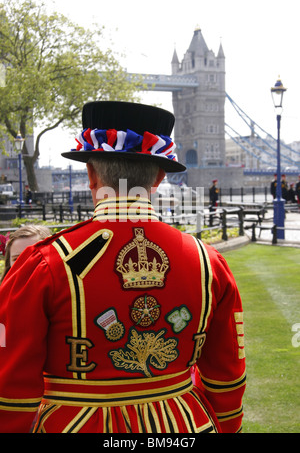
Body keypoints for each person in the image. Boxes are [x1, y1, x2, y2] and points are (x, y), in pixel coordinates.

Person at [0, 101, 246, 434]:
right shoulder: (208, 262)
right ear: (159, 177)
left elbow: (9, 385)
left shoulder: (44, 264)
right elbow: (227, 374)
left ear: (90, 175)